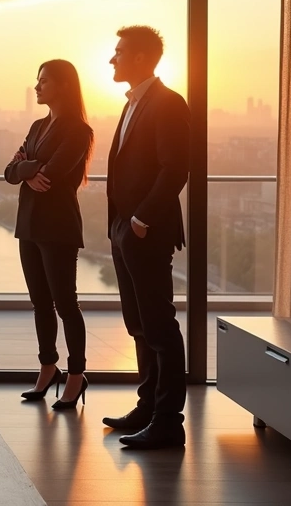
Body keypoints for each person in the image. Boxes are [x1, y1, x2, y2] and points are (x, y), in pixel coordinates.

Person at [100, 25, 190, 449]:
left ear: (139, 58)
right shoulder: (134, 102)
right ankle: (147, 406)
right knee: (137, 323)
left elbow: (174, 169)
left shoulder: (169, 103)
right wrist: (120, 224)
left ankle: (169, 421)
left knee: (158, 325)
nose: (112, 59)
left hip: (145, 230)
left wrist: (140, 220)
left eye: (118, 52)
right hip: (125, 229)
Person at [4, 60, 95, 410]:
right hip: (28, 223)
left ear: (63, 85)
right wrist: (28, 171)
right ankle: (47, 367)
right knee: (40, 303)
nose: (37, 87)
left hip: (57, 227)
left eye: (44, 81)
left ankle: (76, 375)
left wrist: (26, 168)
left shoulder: (78, 130)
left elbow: (54, 174)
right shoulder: (38, 125)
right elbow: (10, 171)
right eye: (37, 81)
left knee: (65, 304)